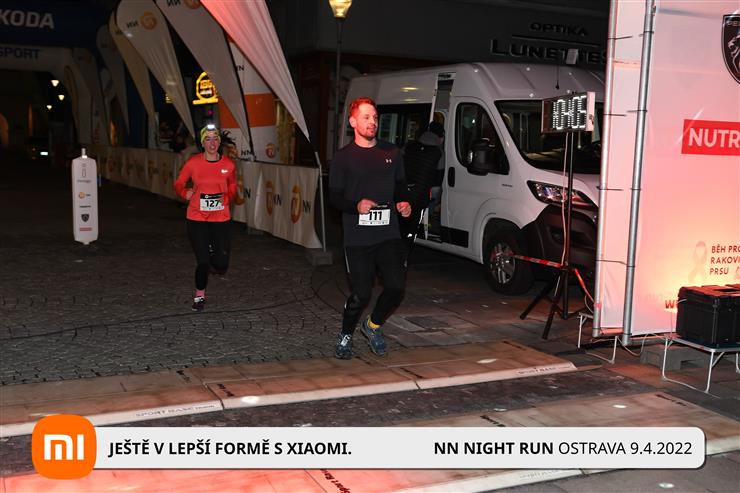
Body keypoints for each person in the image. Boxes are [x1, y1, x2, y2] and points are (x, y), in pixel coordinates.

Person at [329, 97, 412, 359]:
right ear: (353, 122)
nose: (372, 122)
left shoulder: (392, 152)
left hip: (388, 234)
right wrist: (356, 206)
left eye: (375, 117)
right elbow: (334, 198)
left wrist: (404, 202)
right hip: (357, 238)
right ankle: (346, 334)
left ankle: (373, 325)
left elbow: (401, 186)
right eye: (366, 117)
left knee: (396, 287)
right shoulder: (343, 157)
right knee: (361, 294)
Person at [174, 124, 237, 311]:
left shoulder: (228, 165)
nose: (212, 143)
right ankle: (199, 296)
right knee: (202, 262)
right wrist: (184, 192)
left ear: (219, 141)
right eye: (208, 139)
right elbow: (179, 183)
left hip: (220, 218)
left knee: (221, 264)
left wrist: (227, 197)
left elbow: (233, 186)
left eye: (215, 138)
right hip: (197, 218)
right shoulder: (193, 163)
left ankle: (212, 257)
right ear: (202, 143)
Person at [399, 121, 445, 256]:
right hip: (420, 197)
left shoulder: (408, 146)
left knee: (400, 227)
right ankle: (403, 257)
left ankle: (394, 254)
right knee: (411, 229)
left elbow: (397, 168)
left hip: (402, 194)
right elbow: (438, 180)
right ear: (441, 137)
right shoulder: (439, 152)